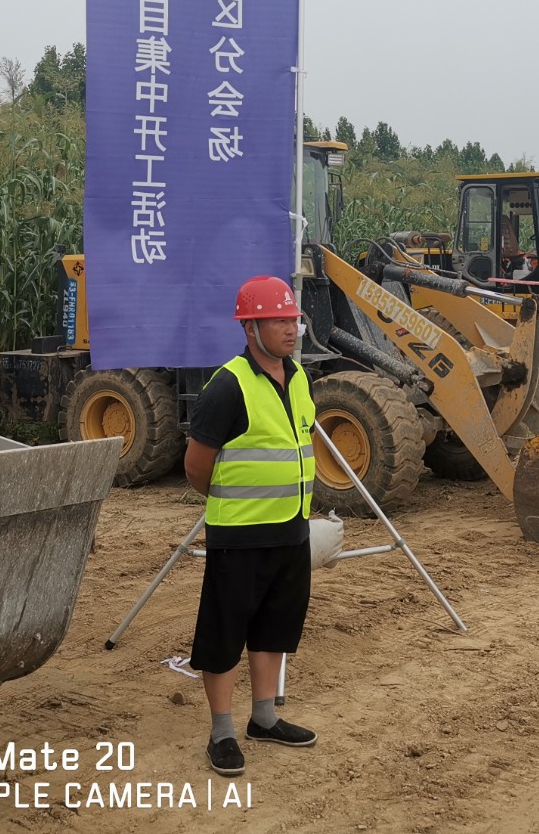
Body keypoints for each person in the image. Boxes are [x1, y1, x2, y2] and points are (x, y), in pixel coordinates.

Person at [183, 275, 318, 777]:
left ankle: (264, 719)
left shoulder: (298, 377)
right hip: (239, 537)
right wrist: (234, 504)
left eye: (292, 318)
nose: (290, 328)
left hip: (291, 530)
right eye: (277, 320)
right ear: (250, 327)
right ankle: (222, 732)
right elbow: (196, 468)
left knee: (274, 628)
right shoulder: (228, 386)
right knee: (224, 636)